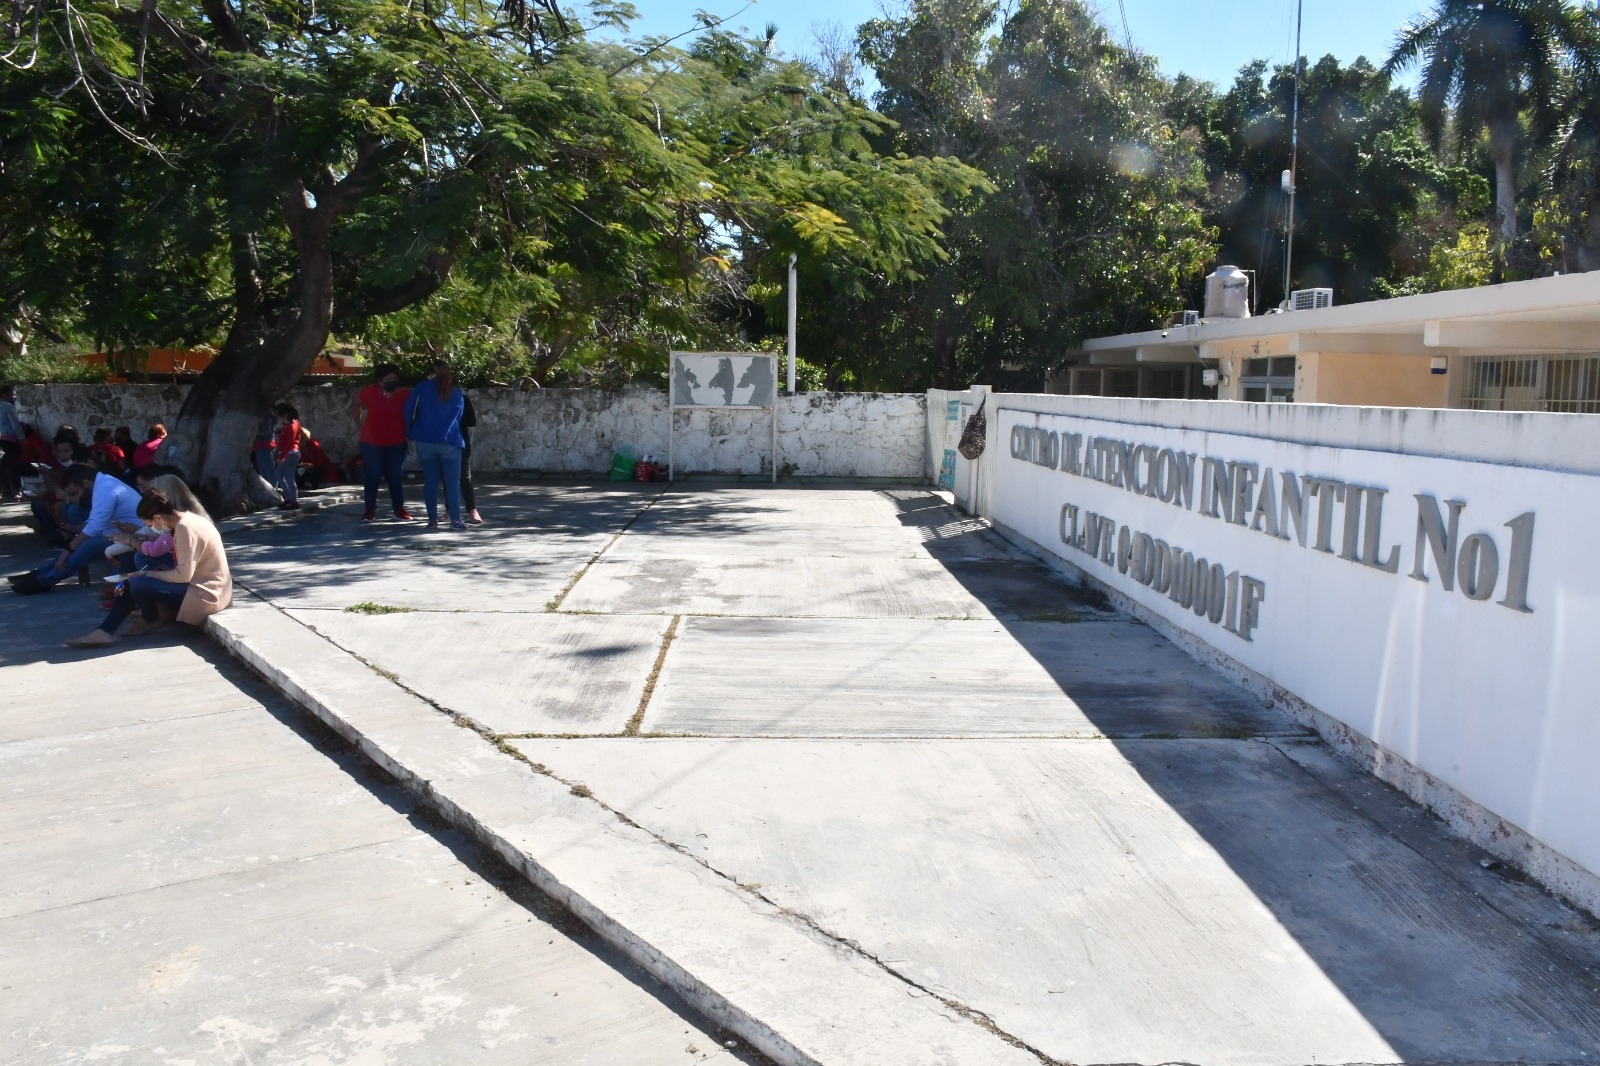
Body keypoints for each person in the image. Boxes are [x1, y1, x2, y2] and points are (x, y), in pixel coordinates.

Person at [65, 490, 233, 649]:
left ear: (158, 518)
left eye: (150, 524)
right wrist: (159, 571)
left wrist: (147, 574)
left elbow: (183, 575)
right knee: (134, 577)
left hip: (207, 595)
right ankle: (105, 631)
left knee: (137, 583)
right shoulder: (186, 521)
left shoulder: (185, 529)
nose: (153, 529)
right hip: (205, 587)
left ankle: (148, 619)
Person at [9, 462, 143, 594]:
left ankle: (42, 581)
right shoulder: (102, 485)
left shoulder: (106, 489)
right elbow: (96, 520)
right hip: (119, 534)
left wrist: (68, 550)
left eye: (76, 493)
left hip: (135, 536)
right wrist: (75, 528)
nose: (76, 497)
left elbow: (95, 526)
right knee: (82, 541)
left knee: (89, 544)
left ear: (85, 483)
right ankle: (41, 573)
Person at [404, 360, 467, 530]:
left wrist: (410, 429)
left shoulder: (422, 387)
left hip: (424, 441)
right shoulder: (456, 392)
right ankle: (455, 520)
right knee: (453, 483)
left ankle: (432, 519)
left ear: (431, 373)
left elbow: (408, 409)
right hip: (450, 441)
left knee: (430, 482)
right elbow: (459, 417)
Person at [352, 363, 412, 522]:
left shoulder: (405, 394)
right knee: (373, 475)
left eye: (394, 378)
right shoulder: (369, 392)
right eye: (388, 379)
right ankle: (369, 510)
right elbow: (356, 404)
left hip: (397, 442)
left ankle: (399, 510)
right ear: (380, 381)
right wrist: (358, 424)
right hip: (371, 443)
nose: (392, 381)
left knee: (395, 476)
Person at [271, 402, 301, 510]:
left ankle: (294, 501)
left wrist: (281, 457)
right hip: (289, 454)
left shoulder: (291, 427)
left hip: (290, 454)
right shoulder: (291, 425)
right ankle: (289, 498)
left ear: (284, 415)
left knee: (288, 477)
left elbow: (289, 444)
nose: (278, 419)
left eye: (279, 416)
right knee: (279, 475)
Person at [459, 392, 482, 524]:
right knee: (447, 479)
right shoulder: (436, 398)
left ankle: (472, 510)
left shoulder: (462, 398)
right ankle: (449, 510)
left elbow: (472, 421)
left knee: (465, 479)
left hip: (461, 442)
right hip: (443, 443)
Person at [0, 384, 22, 501]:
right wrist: (22, 437)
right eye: (11, 394)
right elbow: (15, 424)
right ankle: (16, 489)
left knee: (4, 464)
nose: (13, 396)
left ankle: (5, 489)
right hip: (11, 438)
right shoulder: (8, 407)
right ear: (5, 394)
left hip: (2, 438)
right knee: (13, 465)